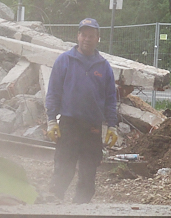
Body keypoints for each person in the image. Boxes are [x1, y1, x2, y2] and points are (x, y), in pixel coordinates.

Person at [44, 17, 119, 204]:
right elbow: (53, 92)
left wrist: (112, 125)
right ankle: (52, 207)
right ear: (77, 36)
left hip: (92, 128)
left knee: (88, 173)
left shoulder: (104, 66)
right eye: (83, 35)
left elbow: (111, 99)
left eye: (91, 35)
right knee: (63, 169)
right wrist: (51, 120)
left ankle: (80, 213)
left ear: (97, 39)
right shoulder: (64, 61)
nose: (87, 39)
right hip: (69, 125)